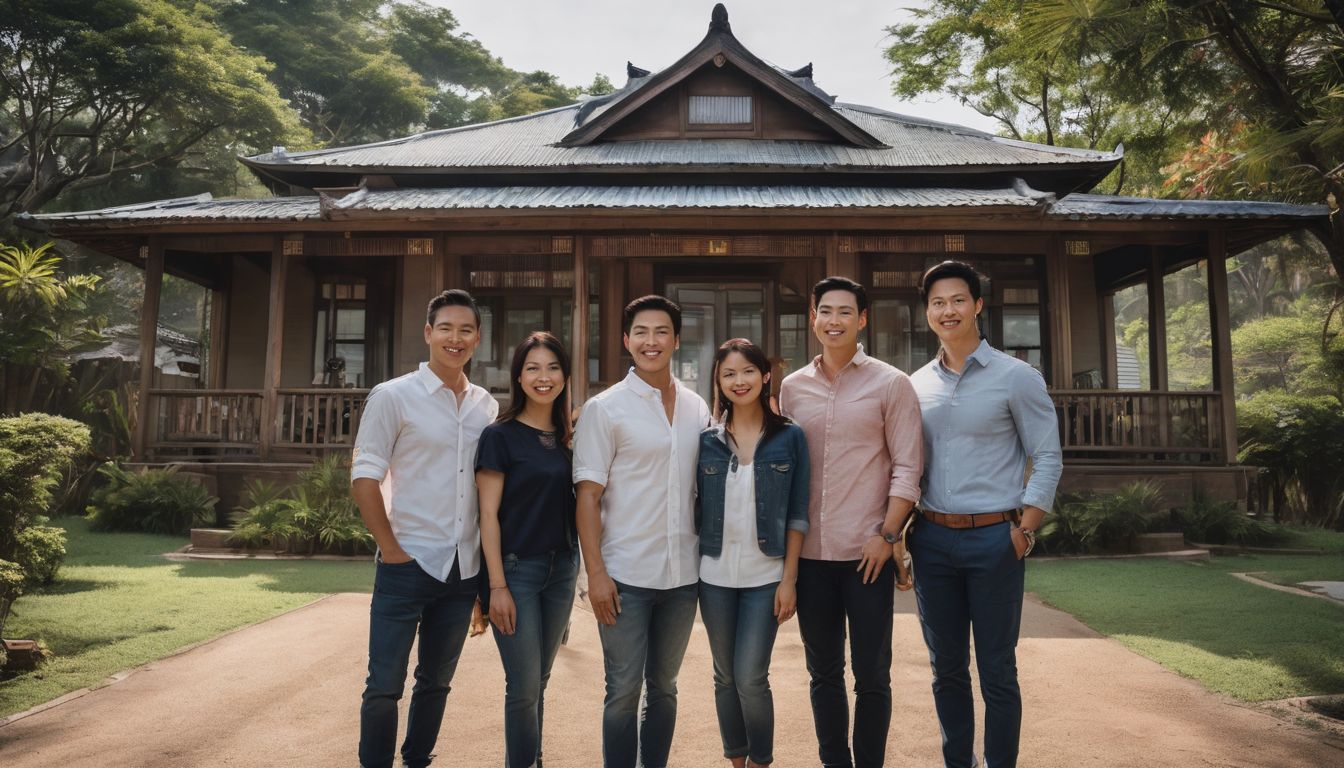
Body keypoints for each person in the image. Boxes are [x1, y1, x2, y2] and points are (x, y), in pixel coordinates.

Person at [908, 260, 1062, 768]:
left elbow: (1048, 455)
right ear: (927, 312)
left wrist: (1025, 529)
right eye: (937, 302)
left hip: (995, 540)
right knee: (946, 669)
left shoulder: (1016, 377)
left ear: (977, 306)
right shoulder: (915, 384)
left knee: (997, 670)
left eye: (957, 300)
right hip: (930, 541)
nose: (946, 310)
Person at [778, 276, 923, 768]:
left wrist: (888, 536)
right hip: (812, 556)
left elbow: (908, 467)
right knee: (822, 674)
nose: (833, 321)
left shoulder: (891, 383)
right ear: (813, 319)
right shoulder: (791, 388)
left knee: (872, 675)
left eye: (845, 312)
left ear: (862, 320)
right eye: (825, 311)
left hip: (869, 555)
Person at [351, 288, 498, 768]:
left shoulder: (486, 407)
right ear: (428, 333)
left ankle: (418, 760)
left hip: (462, 571)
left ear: (477, 339)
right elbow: (364, 477)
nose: (456, 338)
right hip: (406, 563)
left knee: (436, 681)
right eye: (446, 328)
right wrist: (392, 550)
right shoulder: (393, 396)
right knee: (384, 686)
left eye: (466, 330)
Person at [572, 295, 712, 768]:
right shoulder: (604, 408)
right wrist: (595, 574)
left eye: (661, 332)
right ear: (626, 340)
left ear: (676, 339)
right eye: (641, 333)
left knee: (666, 688)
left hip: (682, 578)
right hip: (624, 576)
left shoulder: (697, 406)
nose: (651, 342)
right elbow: (587, 498)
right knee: (623, 691)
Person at [696, 338, 810, 768]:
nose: (738, 381)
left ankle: (762, 760)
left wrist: (789, 580)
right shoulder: (706, 441)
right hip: (714, 577)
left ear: (765, 376)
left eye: (747, 372)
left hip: (767, 578)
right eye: (728, 374)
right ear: (719, 382)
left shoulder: (791, 437)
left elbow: (799, 514)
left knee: (750, 677)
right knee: (724, 677)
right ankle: (736, 761)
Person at [476, 331, 579, 768]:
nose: (544, 377)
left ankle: (533, 759)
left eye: (553, 367)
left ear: (565, 375)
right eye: (533, 368)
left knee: (540, 679)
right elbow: (487, 517)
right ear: (518, 377)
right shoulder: (499, 436)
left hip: (563, 570)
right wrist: (495, 586)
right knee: (522, 685)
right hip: (516, 572)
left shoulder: (571, 436)